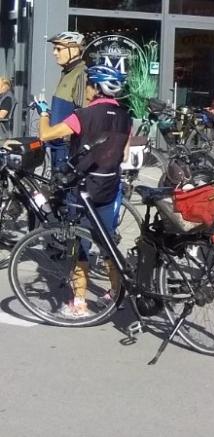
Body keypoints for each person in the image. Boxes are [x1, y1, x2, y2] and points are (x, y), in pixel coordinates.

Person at [32, 65, 131, 318]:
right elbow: (124, 153)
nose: (85, 90)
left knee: (81, 245)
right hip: (110, 185)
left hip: (85, 187)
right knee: (108, 242)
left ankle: (79, 303)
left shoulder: (84, 115)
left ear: (96, 88)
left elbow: (46, 135)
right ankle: (116, 293)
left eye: (88, 85)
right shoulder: (125, 117)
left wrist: (44, 112)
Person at [46, 31, 88, 173]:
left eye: (58, 48)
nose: (54, 53)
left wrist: (69, 139)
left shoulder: (81, 73)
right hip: (57, 141)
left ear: (75, 50)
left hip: (66, 145)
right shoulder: (67, 72)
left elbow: (82, 111)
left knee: (65, 186)